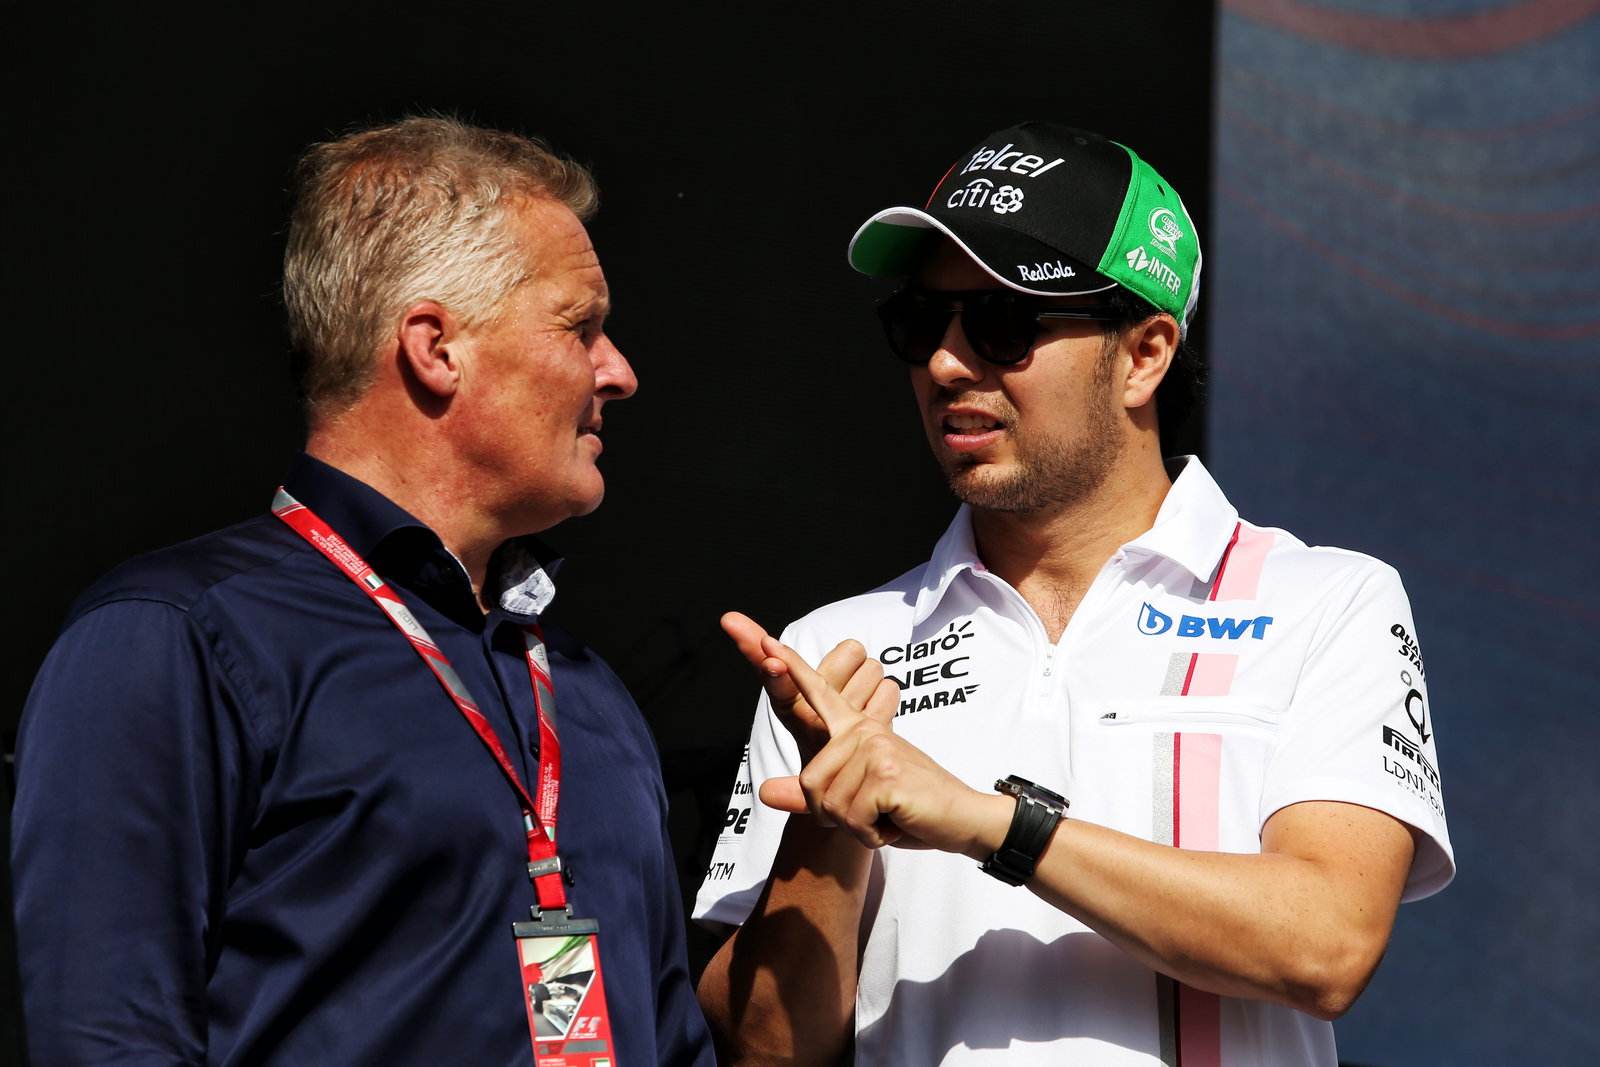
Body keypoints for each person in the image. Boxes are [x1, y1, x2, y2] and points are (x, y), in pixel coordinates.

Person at [693, 121, 1454, 1066]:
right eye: (921, 323)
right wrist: (830, 830)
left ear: (1145, 353)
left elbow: (1327, 945)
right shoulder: (835, 647)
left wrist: (987, 820)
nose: (945, 363)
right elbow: (764, 1051)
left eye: (1004, 324)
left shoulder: (1327, 602)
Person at [11, 116, 715, 1066]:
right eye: (579, 325)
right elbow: (109, 1039)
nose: (618, 372)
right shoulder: (175, 637)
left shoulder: (583, 689)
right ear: (436, 348)